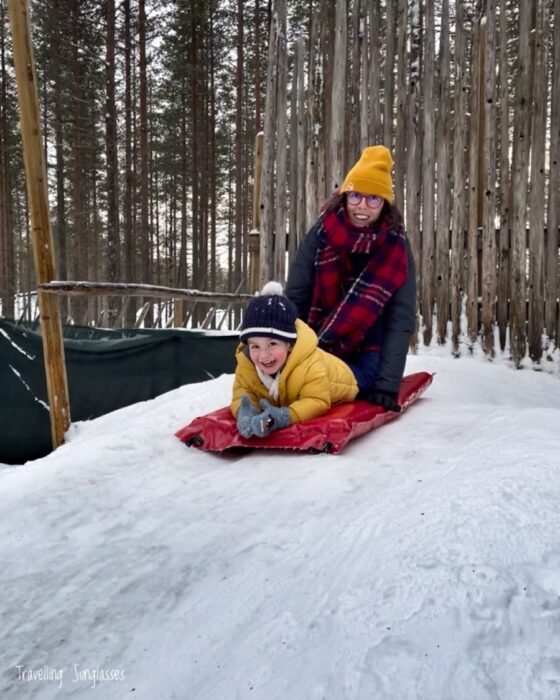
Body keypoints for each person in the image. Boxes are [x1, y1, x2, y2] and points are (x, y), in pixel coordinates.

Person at [285, 145, 416, 413]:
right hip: (318, 338)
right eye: (355, 195)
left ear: (385, 205)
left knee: (352, 383)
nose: (362, 207)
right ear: (344, 195)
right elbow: (297, 295)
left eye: (373, 199)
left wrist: (387, 384)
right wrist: (287, 357)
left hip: (370, 346)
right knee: (308, 376)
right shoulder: (322, 233)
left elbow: (400, 319)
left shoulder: (396, 248)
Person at [231, 282, 359, 438]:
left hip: (344, 380)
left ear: (289, 345)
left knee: (365, 379)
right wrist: (245, 412)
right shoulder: (246, 364)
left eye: (272, 344)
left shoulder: (310, 365)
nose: (263, 355)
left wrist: (283, 417)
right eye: (255, 346)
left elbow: (316, 400)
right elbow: (242, 392)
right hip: (307, 386)